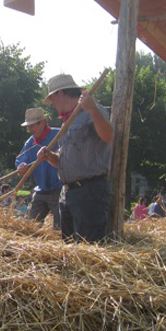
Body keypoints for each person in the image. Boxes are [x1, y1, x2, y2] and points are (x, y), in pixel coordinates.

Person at [38, 74, 114, 243]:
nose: (53, 106)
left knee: (89, 249)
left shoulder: (92, 110)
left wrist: (93, 109)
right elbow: (65, 161)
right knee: (70, 249)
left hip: (90, 192)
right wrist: (49, 157)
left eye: (53, 99)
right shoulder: (67, 121)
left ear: (60, 94)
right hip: (68, 193)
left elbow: (109, 136)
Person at [16, 107, 62, 229]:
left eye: (32, 126)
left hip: (59, 189)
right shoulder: (30, 143)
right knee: (30, 227)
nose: (30, 129)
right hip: (41, 190)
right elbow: (20, 160)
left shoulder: (59, 134)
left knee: (60, 229)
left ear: (42, 122)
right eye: (28, 127)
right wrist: (21, 167)